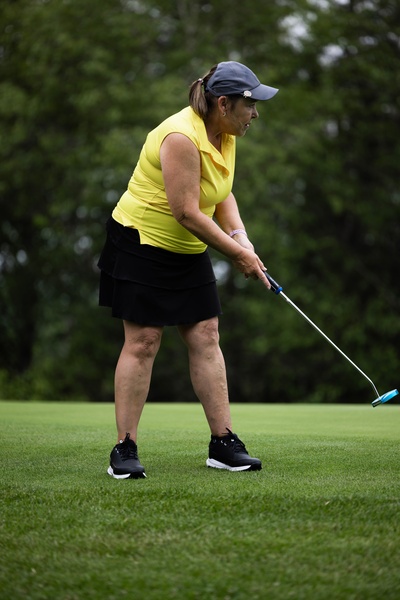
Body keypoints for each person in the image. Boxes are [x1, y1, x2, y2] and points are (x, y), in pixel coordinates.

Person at [98, 61, 279, 479]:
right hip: (140, 242)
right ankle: (124, 448)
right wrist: (237, 255)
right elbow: (186, 211)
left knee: (206, 334)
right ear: (223, 103)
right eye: (250, 105)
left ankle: (223, 443)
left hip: (187, 246)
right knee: (144, 340)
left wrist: (241, 237)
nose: (255, 114)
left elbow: (221, 192)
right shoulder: (180, 136)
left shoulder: (226, 133)